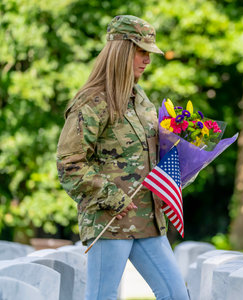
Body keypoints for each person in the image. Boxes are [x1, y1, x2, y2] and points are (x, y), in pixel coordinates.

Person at [56, 15, 189, 300]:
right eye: (141, 51)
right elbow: (70, 165)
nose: (147, 60)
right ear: (122, 51)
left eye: (149, 53)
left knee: (178, 295)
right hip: (110, 221)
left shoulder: (140, 100)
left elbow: (152, 154)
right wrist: (113, 197)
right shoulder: (92, 101)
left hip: (148, 221)